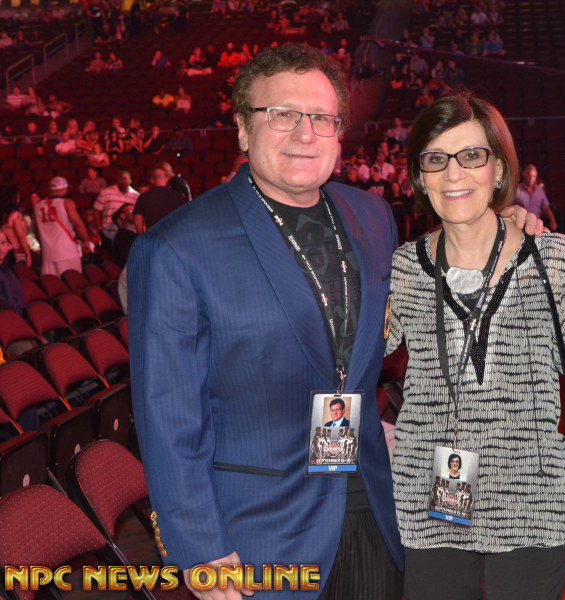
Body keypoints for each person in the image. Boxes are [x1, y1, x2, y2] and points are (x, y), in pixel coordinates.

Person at [128, 43, 406, 600]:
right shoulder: (176, 248)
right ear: (241, 128)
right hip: (257, 531)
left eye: (321, 117)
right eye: (282, 114)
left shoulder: (373, 216)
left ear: (339, 132)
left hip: (372, 507)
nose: (305, 133)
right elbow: (168, 414)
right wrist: (199, 546)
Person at [386, 91, 565, 600]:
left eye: (472, 155)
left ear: (499, 169)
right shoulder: (402, 268)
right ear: (420, 177)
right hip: (433, 501)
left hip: (533, 502)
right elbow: (359, 352)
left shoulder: (554, 260)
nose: (453, 173)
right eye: (436, 159)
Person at [33, 177, 91, 276]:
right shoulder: (67, 203)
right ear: (63, 190)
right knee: (73, 281)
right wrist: (87, 242)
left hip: (48, 255)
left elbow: (35, 231)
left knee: (52, 283)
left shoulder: (37, 206)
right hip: (67, 252)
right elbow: (78, 224)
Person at [133, 167, 188, 234]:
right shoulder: (179, 196)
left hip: (152, 237)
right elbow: (185, 218)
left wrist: (143, 236)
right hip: (173, 236)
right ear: (166, 179)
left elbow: (137, 222)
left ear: (151, 180)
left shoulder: (143, 197)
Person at [94, 170, 139, 251]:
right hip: (107, 233)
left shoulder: (136, 196)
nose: (123, 181)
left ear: (130, 180)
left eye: (125, 179)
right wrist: (99, 227)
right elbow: (96, 210)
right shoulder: (106, 192)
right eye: (120, 179)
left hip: (127, 234)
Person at [514, 164, 557, 231]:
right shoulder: (517, 190)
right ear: (524, 175)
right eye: (529, 175)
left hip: (537, 224)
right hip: (521, 224)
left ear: (536, 177)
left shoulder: (539, 190)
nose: (531, 178)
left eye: (533, 176)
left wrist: (552, 220)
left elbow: (546, 207)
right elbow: (510, 207)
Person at [0, 187, 32, 267]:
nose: (19, 200)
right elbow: (21, 235)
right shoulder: (16, 214)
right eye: (18, 198)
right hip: (17, 252)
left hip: (6, 251)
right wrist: (28, 254)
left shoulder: (4, 215)